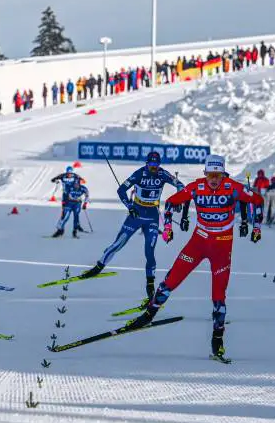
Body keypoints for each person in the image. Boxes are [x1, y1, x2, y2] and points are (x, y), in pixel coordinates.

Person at [124, 154, 263, 361]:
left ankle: (217, 342)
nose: (213, 179)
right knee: (171, 280)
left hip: (222, 246)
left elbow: (257, 200)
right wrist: (169, 226)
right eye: (210, 175)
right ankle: (148, 315)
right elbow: (170, 203)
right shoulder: (197, 187)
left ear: (223, 174)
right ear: (205, 174)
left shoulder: (232, 187)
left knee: (218, 296)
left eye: (217, 175)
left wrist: (256, 227)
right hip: (198, 243)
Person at [75, 151, 185, 302]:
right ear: (147, 163)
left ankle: (150, 284)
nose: (154, 168)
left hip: (152, 216)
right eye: (151, 164)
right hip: (136, 214)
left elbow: (180, 185)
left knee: (150, 251)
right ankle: (98, 267)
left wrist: (178, 199)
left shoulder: (163, 174)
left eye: (156, 165)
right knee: (118, 244)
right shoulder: (139, 173)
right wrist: (129, 206)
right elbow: (121, 190)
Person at [51, 166, 89, 238]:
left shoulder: (76, 176)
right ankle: (60, 230)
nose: (69, 175)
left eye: (71, 173)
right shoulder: (63, 176)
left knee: (76, 215)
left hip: (75, 198)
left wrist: (81, 182)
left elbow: (83, 181)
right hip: (66, 197)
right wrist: (56, 181)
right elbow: (53, 179)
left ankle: (76, 227)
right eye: (68, 173)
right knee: (64, 215)